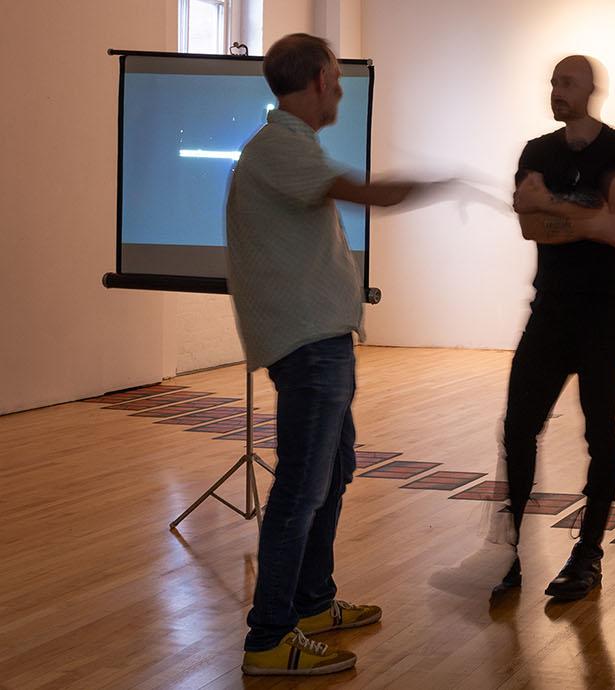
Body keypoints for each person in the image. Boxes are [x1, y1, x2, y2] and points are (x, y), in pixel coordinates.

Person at [229, 34, 434, 676]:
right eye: (338, 78)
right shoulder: (281, 146)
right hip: (309, 346)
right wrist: (430, 184)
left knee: (333, 470)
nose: (341, 89)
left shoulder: (290, 145)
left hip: (321, 343)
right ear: (319, 79)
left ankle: (313, 603)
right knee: (299, 488)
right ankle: (269, 638)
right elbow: (361, 191)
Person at [496, 55, 615, 602]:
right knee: (518, 426)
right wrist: (589, 216)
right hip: (551, 310)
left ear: (591, 89)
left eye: (566, 83)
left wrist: (553, 207)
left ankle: (588, 554)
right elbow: (529, 225)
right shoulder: (537, 152)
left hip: (606, 313)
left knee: (599, 434)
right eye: (552, 82)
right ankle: (508, 550)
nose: (555, 90)